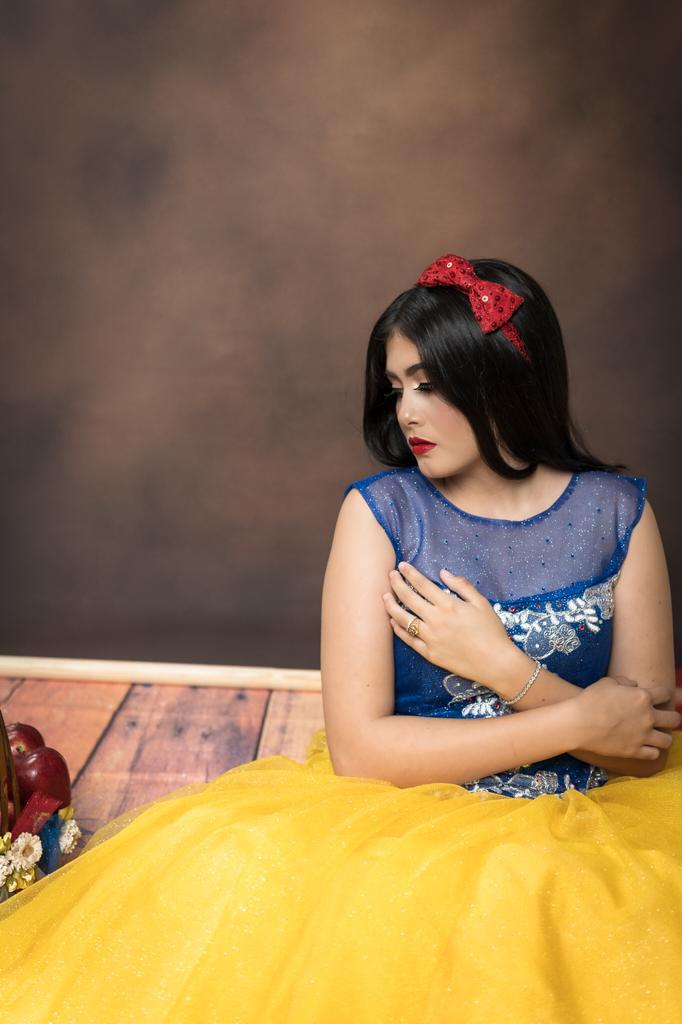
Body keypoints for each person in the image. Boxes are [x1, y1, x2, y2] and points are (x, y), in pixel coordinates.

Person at [1, 253, 680, 1023]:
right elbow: (363, 751)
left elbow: (643, 746)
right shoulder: (381, 515)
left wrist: (505, 668)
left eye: (428, 384)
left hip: (596, 839)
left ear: (502, 375)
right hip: (409, 828)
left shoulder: (618, 513)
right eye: (396, 388)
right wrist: (573, 716)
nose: (407, 413)